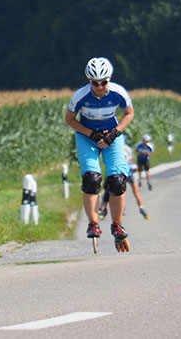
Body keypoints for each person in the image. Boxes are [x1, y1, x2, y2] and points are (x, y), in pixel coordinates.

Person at [64, 57, 134, 249]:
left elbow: (129, 113)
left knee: (117, 181)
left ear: (109, 79)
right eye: (95, 83)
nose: (100, 86)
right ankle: (93, 223)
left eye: (103, 82)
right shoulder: (80, 96)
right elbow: (69, 119)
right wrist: (91, 134)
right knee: (92, 179)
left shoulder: (119, 92)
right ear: (89, 81)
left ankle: (117, 225)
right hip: (87, 137)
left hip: (111, 135)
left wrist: (115, 133)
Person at [98, 142, 148, 220]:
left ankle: (141, 207)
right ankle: (120, 209)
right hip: (122, 176)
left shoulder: (128, 160)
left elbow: (134, 165)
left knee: (135, 192)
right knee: (120, 192)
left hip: (129, 176)